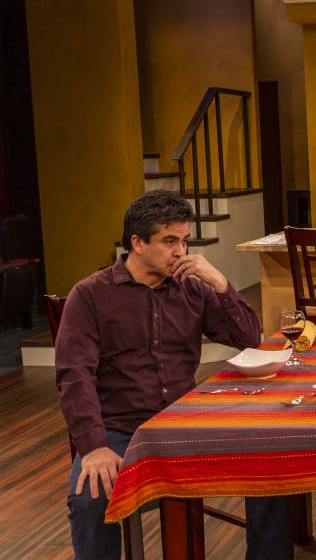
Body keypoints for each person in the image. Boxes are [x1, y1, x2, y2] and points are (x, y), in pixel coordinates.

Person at [56, 190, 292, 559]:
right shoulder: (90, 295)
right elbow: (74, 376)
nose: (181, 251)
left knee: (271, 461)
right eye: (170, 241)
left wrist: (220, 283)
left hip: (187, 419)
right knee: (88, 498)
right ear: (136, 242)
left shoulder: (193, 288)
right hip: (121, 430)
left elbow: (248, 339)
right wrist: (94, 447)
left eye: (184, 240)